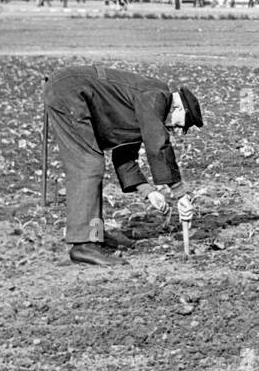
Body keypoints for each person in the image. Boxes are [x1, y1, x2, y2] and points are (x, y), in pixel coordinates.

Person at [43, 65, 204, 266]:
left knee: (92, 165)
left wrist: (149, 191)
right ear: (179, 107)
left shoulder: (145, 108)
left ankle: (94, 235)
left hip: (71, 91)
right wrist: (180, 193)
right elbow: (158, 144)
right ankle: (83, 245)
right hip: (70, 91)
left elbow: (124, 155)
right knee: (88, 164)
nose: (178, 131)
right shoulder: (157, 96)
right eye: (182, 124)